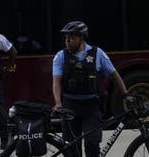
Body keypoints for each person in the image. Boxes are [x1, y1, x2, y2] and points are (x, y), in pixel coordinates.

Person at [53, 21, 130, 157]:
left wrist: (126, 94)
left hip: (92, 107)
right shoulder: (61, 56)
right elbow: (56, 82)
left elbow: (114, 74)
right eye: (66, 38)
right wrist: (58, 102)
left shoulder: (97, 53)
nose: (67, 41)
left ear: (81, 38)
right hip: (70, 106)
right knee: (72, 150)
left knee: (92, 144)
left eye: (71, 38)